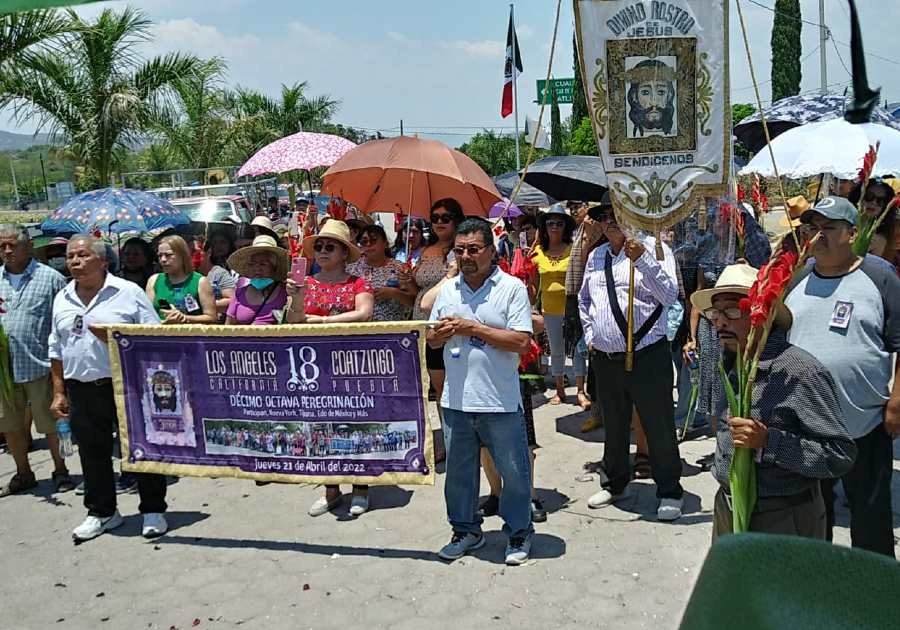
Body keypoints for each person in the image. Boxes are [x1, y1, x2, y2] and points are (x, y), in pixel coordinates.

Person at [692, 263, 856, 539]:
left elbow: (839, 456)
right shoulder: (728, 363)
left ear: (763, 313)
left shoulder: (798, 372)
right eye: (714, 313)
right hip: (729, 510)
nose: (719, 322)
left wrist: (769, 442)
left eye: (732, 310)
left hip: (783, 519)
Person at [784, 196, 900, 557]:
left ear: (852, 233)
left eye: (830, 228)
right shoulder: (798, 279)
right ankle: (822, 591)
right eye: (812, 228)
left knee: (869, 518)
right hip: (807, 427)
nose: (819, 236)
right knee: (815, 518)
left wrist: (897, 403)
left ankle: (875, 594)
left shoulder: (879, 277)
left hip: (863, 424)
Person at [427, 218, 535, 566]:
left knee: (514, 473)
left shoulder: (511, 288)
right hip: (456, 400)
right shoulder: (448, 290)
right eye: (460, 250)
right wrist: (439, 334)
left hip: (499, 400)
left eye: (474, 249)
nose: (466, 256)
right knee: (459, 476)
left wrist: (473, 327)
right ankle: (465, 531)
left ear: (491, 250)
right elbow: (430, 337)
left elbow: (521, 341)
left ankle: (518, 532)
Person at [48, 234, 169, 541]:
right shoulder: (63, 297)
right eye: (70, 256)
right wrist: (59, 391)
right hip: (81, 388)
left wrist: (115, 338)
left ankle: (153, 509)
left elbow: (153, 338)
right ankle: (102, 512)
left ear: (102, 261)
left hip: (126, 384)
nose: (74, 261)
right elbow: (56, 349)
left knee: (141, 447)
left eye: (82, 255)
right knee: (91, 452)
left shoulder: (128, 293)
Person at [578, 206, 685, 520]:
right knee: (613, 422)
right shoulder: (597, 257)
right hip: (606, 357)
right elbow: (585, 299)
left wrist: (642, 260)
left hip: (648, 354)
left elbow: (670, 295)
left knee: (658, 424)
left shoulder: (656, 249)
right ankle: (614, 482)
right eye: (604, 219)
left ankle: (669, 490)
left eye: (616, 217)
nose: (610, 224)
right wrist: (590, 333)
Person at [286, 221, 375, 517]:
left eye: (330, 246)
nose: (323, 251)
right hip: (314, 366)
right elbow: (295, 320)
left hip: (351, 363)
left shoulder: (358, 283)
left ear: (343, 253)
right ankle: (331, 489)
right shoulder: (306, 283)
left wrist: (321, 321)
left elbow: (363, 314)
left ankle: (361, 488)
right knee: (320, 425)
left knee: (355, 423)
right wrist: (297, 296)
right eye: (319, 246)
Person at [0, 224, 72, 497]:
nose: (7, 251)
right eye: (2, 246)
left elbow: (61, 322)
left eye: (12, 245)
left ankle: (61, 470)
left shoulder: (50, 278)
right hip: (4, 371)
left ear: (28, 246)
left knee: (52, 424)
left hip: (41, 365)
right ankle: (23, 473)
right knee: (10, 425)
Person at [403, 198, 465, 413]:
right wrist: (407, 280)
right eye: (435, 218)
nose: (439, 222)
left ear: (456, 220)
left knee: (452, 382)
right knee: (436, 385)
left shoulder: (459, 250)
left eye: (445, 218)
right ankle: (446, 439)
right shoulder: (426, 249)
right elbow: (416, 291)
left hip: (444, 321)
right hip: (421, 320)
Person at [533, 204, 587, 407]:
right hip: (550, 309)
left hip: (573, 308)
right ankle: (560, 390)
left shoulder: (573, 250)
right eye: (550, 222)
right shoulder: (537, 252)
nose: (554, 226)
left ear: (566, 226)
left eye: (559, 223)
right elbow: (533, 284)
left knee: (578, 349)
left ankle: (581, 391)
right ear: (544, 227)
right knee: (556, 350)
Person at [349, 224, 415, 321]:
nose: (368, 244)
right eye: (364, 242)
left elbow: (413, 302)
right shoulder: (351, 269)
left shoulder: (400, 268)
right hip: (359, 331)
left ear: (385, 243)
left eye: (373, 240)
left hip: (392, 330)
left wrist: (394, 293)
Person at [146, 235, 217, 325]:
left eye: (168, 255)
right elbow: (147, 315)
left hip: (190, 337)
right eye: (160, 256)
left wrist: (184, 318)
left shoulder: (200, 282)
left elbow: (211, 317)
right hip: (160, 336)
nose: (163, 260)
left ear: (183, 256)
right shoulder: (154, 280)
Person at [224, 235, 290, 326]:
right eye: (252, 264)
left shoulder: (286, 292)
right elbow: (228, 327)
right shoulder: (240, 293)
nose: (257, 268)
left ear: (274, 267)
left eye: (263, 264)